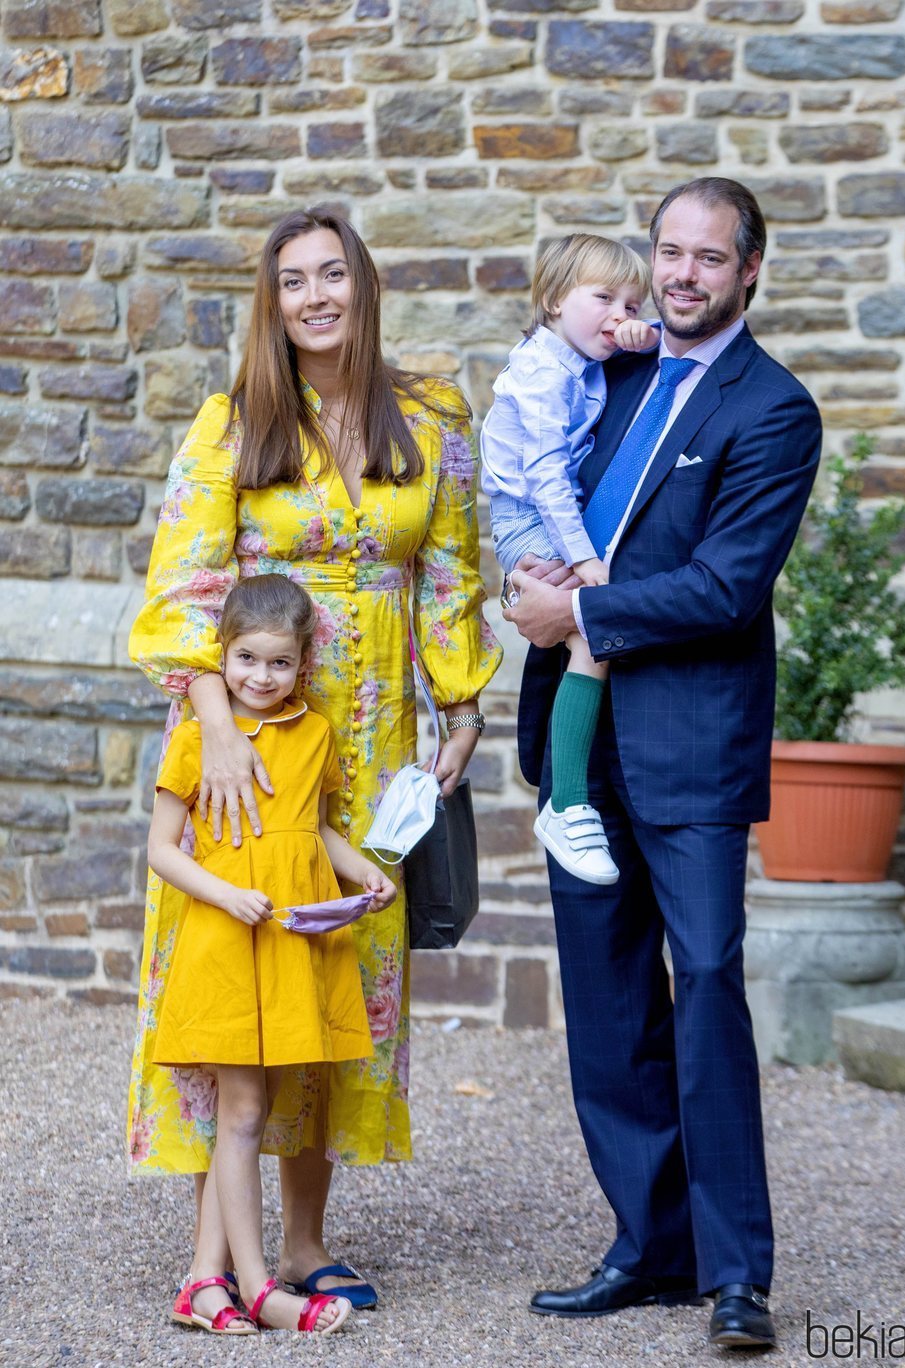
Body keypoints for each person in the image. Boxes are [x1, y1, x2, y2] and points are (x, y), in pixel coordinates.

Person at [128, 206, 502, 1326]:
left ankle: (301, 1245)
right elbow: (185, 589)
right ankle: (217, 1256)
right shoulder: (234, 417)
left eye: (331, 272)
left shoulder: (430, 415)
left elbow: (450, 568)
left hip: (375, 729)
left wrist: (463, 702)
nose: (314, 295)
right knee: (235, 972)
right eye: (292, 280)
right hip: (247, 727)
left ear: (363, 283)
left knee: (334, 974)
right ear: (272, 302)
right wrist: (219, 723)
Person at [503, 177, 823, 1351]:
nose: (681, 275)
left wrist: (579, 618)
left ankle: (735, 1276)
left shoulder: (773, 409)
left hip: (688, 750)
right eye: (666, 252)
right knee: (605, 1004)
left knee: (703, 1002)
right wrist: (518, 586)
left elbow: (726, 586)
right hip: (583, 754)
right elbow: (533, 497)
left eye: (707, 258)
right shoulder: (606, 373)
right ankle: (647, 1248)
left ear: (750, 271)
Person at [150, 574, 397, 1334]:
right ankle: (255, 1285)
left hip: (290, 941)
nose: (261, 677)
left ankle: (208, 1285)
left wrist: (360, 869)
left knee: (259, 1109)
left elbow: (309, 826)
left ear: (303, 662)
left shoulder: (315, 733)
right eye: (247, 659)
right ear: (222, 655)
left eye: (279, 663)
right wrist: (225, 896)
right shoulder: (196, 740)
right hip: (227, 939)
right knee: (246, 1106)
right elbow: (161, 852)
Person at [481, 234, 658, 887]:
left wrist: (641, 330)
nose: (619, 313)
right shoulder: (542, 374)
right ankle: (568, 802)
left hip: (553, 515)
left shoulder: (578, 358)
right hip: (532, 518)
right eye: (603, 297)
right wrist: (585, 566)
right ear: (554, 300)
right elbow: (548, 478)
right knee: (596, 627)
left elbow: (655, 332)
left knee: (595, 636)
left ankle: (570, 800)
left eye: (632, 301)